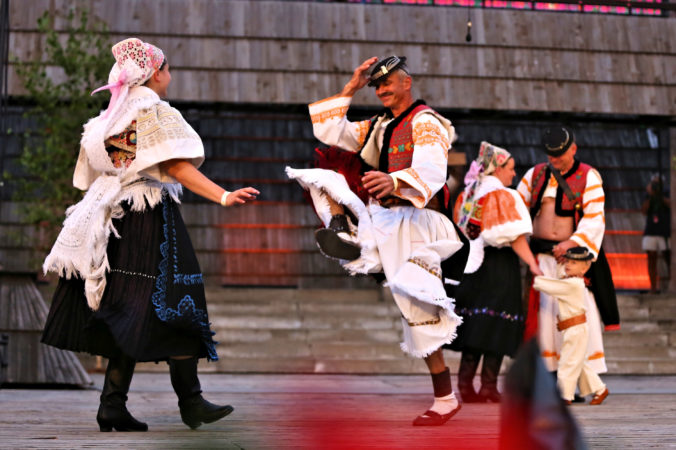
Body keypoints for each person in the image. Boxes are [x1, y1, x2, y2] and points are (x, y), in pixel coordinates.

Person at [41, 38, 259, 431]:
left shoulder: (112, 115)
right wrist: (223, 195)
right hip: (149, 219)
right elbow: (175, 166)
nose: (170, 79)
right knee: (179, 297)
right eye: (168, 71)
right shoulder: (151, 111)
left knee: (132, 307)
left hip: (115, 219)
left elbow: (95, 173)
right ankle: (189, 402)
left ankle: (113, 404)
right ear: (156, 72)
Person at [286, 56, 468, 426]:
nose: (382, 89)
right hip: (387, 218)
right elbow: (333, 132)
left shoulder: (425, 121)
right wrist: (350, 88)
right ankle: (344, 231)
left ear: (407, 82)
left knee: (416, 305)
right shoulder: (379, 124)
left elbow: (434, 168)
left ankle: (446, 399)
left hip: (418, 220)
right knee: (320, 174)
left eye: (388, 83)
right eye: (377, 85)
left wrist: (395, 181)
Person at [516, 126, 619, 396]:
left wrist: (572, 242)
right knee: (544, 318)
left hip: (570, 261)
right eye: (551, 155)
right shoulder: (536, 174)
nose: (555, 160)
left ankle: (579, 383)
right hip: (540, 259)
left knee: (574, 317)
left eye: (559, 155)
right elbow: (517, 206)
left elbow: (595, 216)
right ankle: (549, 380)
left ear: (573, 149)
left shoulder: (588, 176)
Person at [450, 142, 542, 403]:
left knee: (477, 324)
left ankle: (466, 386)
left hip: (471, 266)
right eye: (511, 169)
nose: (514, 174)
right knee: (498, 322)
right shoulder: (503, 195)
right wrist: (534, 265)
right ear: (498, 168)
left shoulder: (468, 194)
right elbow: (514, 237)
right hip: (499, 266)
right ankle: (488, 385)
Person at [533, 246, 609, 405]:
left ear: (585, 267)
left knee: (568, 362)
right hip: (572, 329)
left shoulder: (573, 284)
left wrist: (537, 278)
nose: (568, 265)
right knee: (579, 362)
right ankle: (600, 389)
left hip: (576, 330)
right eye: (567, 261)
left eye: (573, 263)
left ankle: (565, 395)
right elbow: (560, 277)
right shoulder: (571, 281)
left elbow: (551, 286)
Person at [641, 173, 670, 293]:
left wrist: (660, 194)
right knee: (651, 258)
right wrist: (650, 194)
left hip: (665, 230)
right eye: (654, 183)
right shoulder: (649, 195)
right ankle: (653, 288)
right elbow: (644, 210)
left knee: (669, 258)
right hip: (651, 230)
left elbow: (670, 204)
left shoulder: (667, 192)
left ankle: (671, 286)